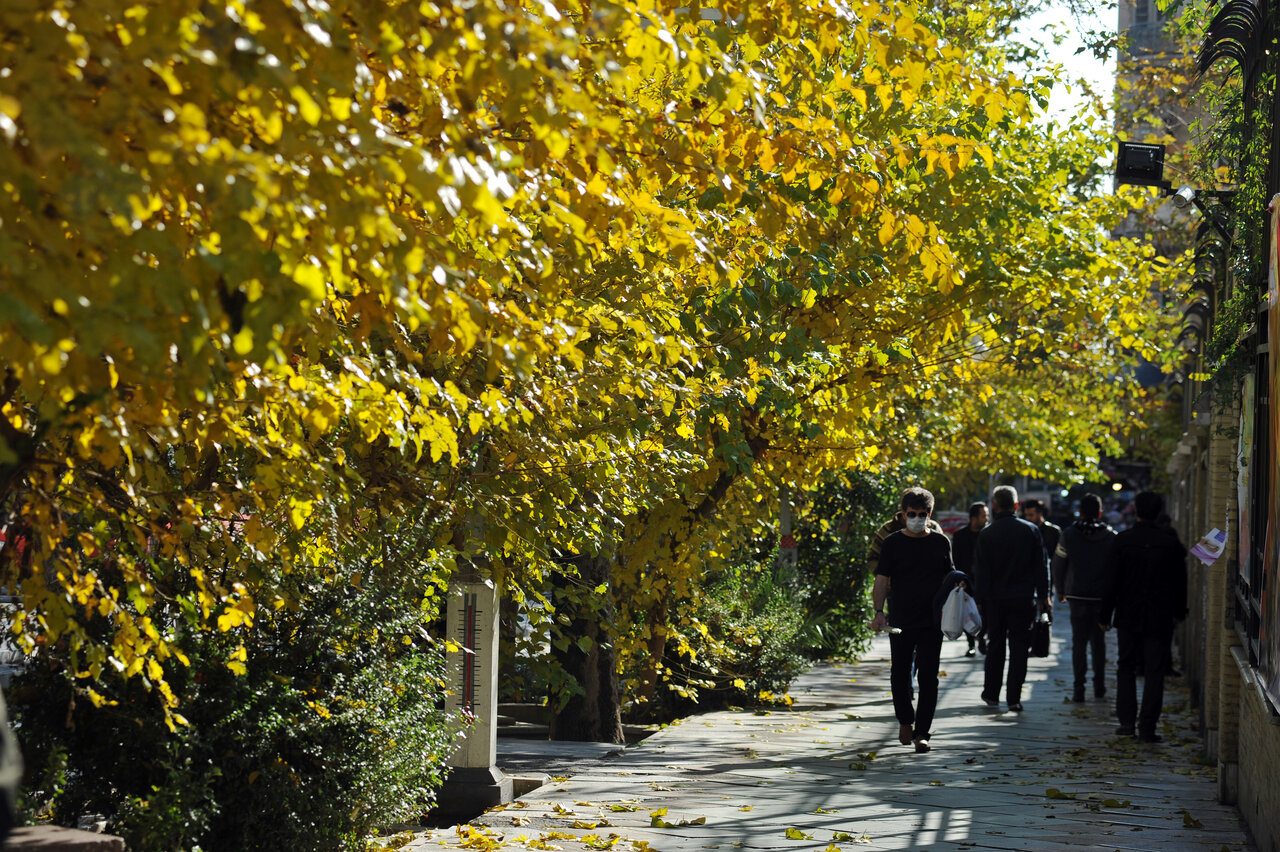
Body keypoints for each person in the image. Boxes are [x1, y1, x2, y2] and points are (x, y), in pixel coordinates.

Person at [870, 487, 954, 754]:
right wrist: (878, 612)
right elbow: (881, 579)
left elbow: (949, 576)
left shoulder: (941, 542)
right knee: (900, 674)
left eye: (922, 514)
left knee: (929, 677)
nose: (917, 518)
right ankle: (905, 720)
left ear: (930, 514)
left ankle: (922, 733)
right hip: (901, 617)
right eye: (912, 514)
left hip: (932, 619)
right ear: (903, 513)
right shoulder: (892, 542)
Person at [1101, 491, 1188, 743]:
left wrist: (1105, 614)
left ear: (1136, 510)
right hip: (1160, 616)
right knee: (1154, 670)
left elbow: (1111, 582)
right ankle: (1147, 727)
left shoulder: (1122, 541)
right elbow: (1179, 583)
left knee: (1126, 666)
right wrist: (1179, 611)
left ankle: (1127, 722)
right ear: (1159, 511)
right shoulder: (1170, 543)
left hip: (1128, 613)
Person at [974, 485, 1050, 712]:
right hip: (1023, 597)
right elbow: (1041, 566)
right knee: (1019, 647)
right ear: (1016, 505)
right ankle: (1014, 697)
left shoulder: (986, 534)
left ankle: (991, 693)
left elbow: (981, 571)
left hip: (995, 599)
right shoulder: (1030, 531)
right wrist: (1044, 595)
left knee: (995, 644)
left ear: (994, 506)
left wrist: (979, 599)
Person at [1051, 494, 1115, 702]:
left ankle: (1079, 687)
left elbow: (1058, 563)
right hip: (1100, 596)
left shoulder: (1069, 534)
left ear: (1080, 511)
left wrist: (1060, 588)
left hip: (1077, 594)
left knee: (1079, 642)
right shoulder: (1110, 536)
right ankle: (1099, 686)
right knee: (1098, 642)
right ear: (1100, 512)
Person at [949, 502, 989, 657]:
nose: (986, 518)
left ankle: (982, 637)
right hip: (966, 580)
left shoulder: (988, 534)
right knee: (967, 613)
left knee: (985, 612)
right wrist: (958, 578)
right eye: (983, 515)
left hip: (985, 581)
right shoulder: (960, 536)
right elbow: (955, 559)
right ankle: (971, 643)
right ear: (974, 518)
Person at [1022, 499, 1062, 573]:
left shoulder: (1053, 531)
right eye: (1026, 515)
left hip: (1051, 571)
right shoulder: (1026, 531)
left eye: (1031, 515)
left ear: (1040, 513)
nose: (1028, 518)